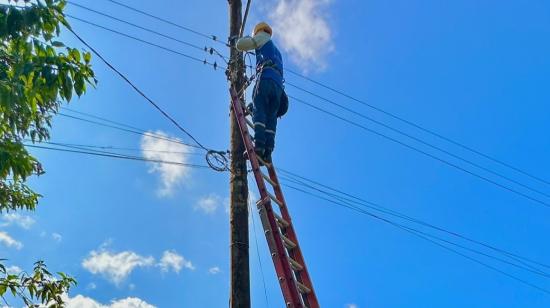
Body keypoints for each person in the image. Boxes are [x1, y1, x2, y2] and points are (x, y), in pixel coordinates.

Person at [236, 22, 284, 164]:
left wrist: (238, 41)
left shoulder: (262, 37)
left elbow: (243, 45)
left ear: (258, 32)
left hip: (266, 78)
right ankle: (268, 152)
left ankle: (259, 146)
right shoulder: (277, 51)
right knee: (271, 117)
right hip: (278, 86)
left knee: (259, 109)